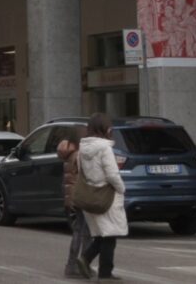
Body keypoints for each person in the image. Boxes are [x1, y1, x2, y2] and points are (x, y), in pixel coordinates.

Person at [78, 113, 127, 281]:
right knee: (110, 235)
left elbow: (81, 171)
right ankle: (104, 272)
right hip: (107, 195)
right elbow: (112, 174)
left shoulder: (82, 149)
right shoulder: (105, 148)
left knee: (101, 234)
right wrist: (122, 189)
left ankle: (86, 259)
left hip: (91, 194)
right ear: (106, 129)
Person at [57, 128, 90, 279]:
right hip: (81, 196)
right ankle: (76, 265)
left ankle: (76, 265)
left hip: (73, 197)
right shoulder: (78, 156)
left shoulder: (69, 155)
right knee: (83, 231)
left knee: (80, 230)